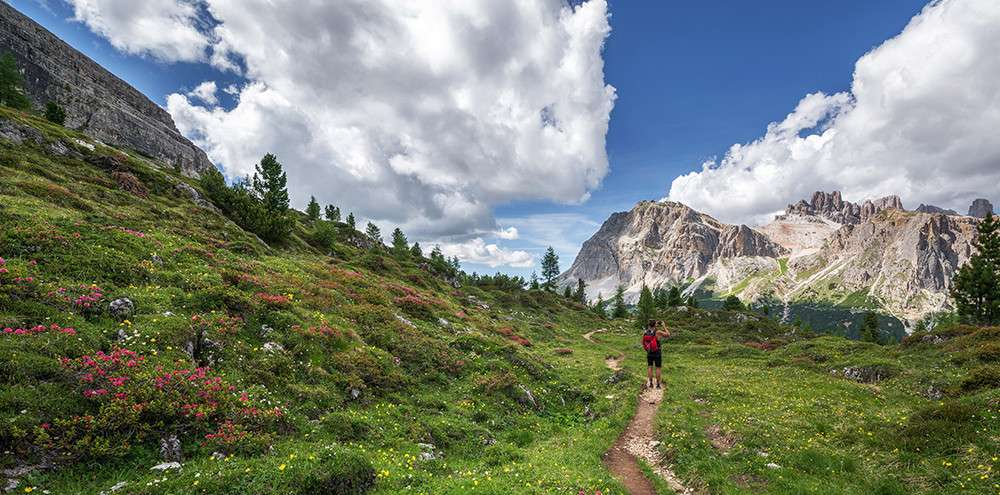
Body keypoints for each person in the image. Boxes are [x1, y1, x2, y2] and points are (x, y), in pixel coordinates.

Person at [641, 319, 670, 389]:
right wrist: (664, 326)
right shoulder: (658, 332)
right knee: (658, 368)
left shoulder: (645, 332)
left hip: (649, 352)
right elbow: (668, 334)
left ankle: (650, 383)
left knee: (650, 367)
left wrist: (647, 349)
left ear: (648, 325)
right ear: (655, 325)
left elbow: (643, 342)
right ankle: (657, 385)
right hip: (657, 352)